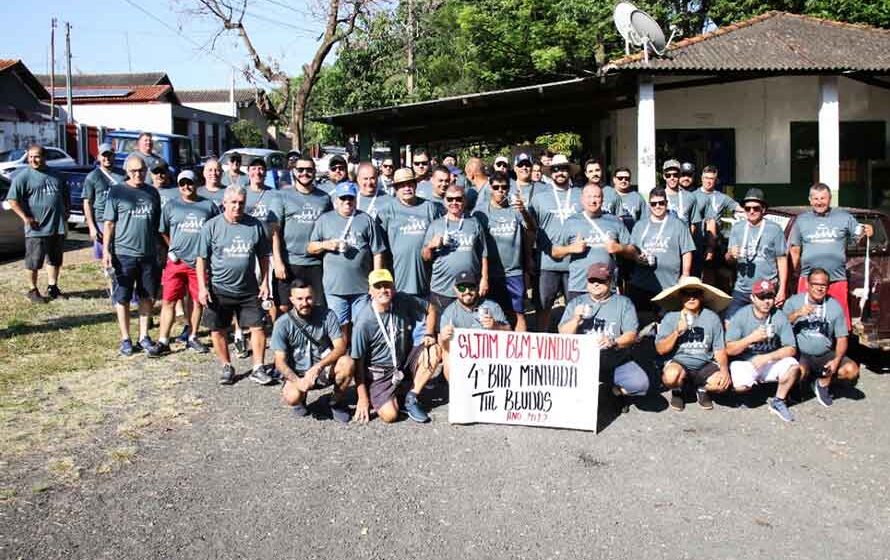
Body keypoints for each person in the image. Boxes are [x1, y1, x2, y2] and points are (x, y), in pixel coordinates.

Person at [196, 184, 274, 386]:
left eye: (241, 203)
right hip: (219, 288)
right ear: (224, 203)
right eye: (233, 203)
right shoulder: (211, 226)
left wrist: (265, 282)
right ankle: (226, 366)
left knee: (258, 327)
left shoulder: (255, 225)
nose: (237, 207)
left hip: (248, 288)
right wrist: (202, 287)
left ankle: (258, 367)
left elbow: (264, 256)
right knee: (218, 329)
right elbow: (201, 259)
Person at [350, 269, 441, 424]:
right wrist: (362, 398)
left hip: (402, 361)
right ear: (370, 291)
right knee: (390, 416)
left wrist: (429, 333)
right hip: (379, 372)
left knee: (433, 350)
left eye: (387, 285)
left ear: (394, 287)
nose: (383, 290)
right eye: (378, 286)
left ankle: (411, 396)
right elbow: (357, 362)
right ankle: (389, 394)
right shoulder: (364, 322)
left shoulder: (402, 300)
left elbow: (431, 308)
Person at [558, 262, 649, 411]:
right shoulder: (576, 303)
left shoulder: (624, 303)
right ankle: (579, 396)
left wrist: (613, 341)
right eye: (592, 280)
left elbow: (631, 335)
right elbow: (563, 335)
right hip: (581, 363)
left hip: (614, 360)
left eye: (601, 281)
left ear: (610, 281)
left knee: (640, 384)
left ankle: (615, 391)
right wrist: (575, 319)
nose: (596, 284)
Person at [148, 170, 219, 356]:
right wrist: (172, 247)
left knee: (197, 301)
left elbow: (216, 230)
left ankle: (193, 336)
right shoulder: (171, 206)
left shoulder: (208, 206)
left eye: (190, 183)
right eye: (182, 184)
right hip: (176, 261)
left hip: (199, 262)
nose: (186, 187)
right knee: (169, 300)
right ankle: (163, 340)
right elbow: (162, 230)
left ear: (197, 183)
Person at [788, 182, 873, 328]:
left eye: (823, 198)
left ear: (830, 199)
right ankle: (807, 348)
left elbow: (861, 241)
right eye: (816, 199)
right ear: (810, 200)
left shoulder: (844, 217)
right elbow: (795, 251)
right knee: (804, 319)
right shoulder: (801, 220)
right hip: (808, 280)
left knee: (839, 321)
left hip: (836, 279)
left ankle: (838, 350)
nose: (819, 202)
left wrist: (867, 233)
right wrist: (790, 278)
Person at [102, 154, 162, 356]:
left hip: (148, 254)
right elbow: (109, 223)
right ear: (127, 171)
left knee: (147, 296)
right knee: (123, 297)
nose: (138, 174)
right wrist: (106, 250)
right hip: (124, 253)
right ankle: (126, 338)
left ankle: (144, 336)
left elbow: (156, 225)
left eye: (141, 171)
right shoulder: (117, 191)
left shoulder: (152, 192)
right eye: (134, 171)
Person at [307, 182, 386, 336]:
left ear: (356, 199)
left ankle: (359, 358)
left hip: (362, 287)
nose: (347, 202)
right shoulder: (325, 219)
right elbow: (310, 247)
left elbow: (378, 252)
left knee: (362, 325)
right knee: (339, 326)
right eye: (343, 198)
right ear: (336, 200)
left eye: (350, 198)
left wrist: (375, 282)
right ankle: (342, 357)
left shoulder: (366, 219)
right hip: (335, 287)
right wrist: (326, 244)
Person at [272, 279, 352, 422]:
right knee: (291, 397)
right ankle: (300, 399)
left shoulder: (328, 315)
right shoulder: (282, 324)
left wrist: (318, 367)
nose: (305, 303)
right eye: (300, 299)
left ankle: (335, 402)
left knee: (348, 363)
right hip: (298, 372)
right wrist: (298, 381)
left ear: (314, 297)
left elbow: (340, 346)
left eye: (308, 298)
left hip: (323, 367)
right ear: (292, 300)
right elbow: (279, 361)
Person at [725, 278, 801, 422]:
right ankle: (749, 392)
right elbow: (729, 349)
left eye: (770, 296)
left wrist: (767, 357)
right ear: (752, 298)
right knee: (741, 386)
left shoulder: (779, 316)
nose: (767, 301)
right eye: (761, 297)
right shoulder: (741, 315)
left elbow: (791, 348)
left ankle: (779, 400)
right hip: (747, 360)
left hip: (769, 361)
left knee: (793, 367)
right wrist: (751, 338)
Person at [783, 268, 860, 407]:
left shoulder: (834, 306)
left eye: (823, 285)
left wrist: (836, 361)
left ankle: (821, 383)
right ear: (808, 284)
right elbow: (779, 327)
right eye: (815, 284)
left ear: (828, 287)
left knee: (851, 370)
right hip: (801, 353)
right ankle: (798, 384)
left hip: (824, 352)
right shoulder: (793, 302)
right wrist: (797, 314)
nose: (819, 288)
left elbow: (842, 338)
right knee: (797, 371)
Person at [653, 277, 732, 411]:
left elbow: (719, 349)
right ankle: (678, 389)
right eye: (686, 294)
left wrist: (725, 371)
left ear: (701, 296)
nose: (691, 298)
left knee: (721, 384)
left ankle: (701, 388)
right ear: (680, 296)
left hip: (705, 363)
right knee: (670, 377)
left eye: (695, 294)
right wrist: (677, 332)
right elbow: (660, 350)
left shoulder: (712, 317)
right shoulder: (671, 317)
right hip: (679, 362)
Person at [5, 144, 70, 303]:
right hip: (37, 228)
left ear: (44, 157)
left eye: (37, 156)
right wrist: (26, 218)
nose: (33, 160)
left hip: (56, 226)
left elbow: (65, 196)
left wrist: (66, 211)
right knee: (33, 261)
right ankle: (32, 290)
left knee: (55, 259)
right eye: (31, 156)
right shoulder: (23, 176)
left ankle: (53, 287)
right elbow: (12, 200)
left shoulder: (57, 175)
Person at [472, 171, 534, 331]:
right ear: (490, 188)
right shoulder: (480, 212)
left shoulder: (516, 208)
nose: (500, 190)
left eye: (504, 187)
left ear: (508, 189)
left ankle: (521, 350)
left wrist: (524, 211)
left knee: (518, 313)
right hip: (490, 273)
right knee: (489, 314)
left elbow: (532, 229)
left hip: (513, 272)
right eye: (496, 187)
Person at [528, 154, 582, 331]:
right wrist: (529, 257)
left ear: (570, 172)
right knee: (543, 307)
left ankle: (572, 348)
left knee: (575, 310)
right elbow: (530, 230)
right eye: (556, 169)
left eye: (564, 168)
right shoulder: (539, 198)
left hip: (575, 264)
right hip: (546, 264)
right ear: (550, 172)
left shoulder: (580, 195)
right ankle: (542, 345)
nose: (560, 172)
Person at [552, 183, 632, 302]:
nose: (593, 201)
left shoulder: (614, 221)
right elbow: (555, 252)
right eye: (589, 197)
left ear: (602, 199)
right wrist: (571, 249)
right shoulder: (571, 222)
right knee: (578, 319)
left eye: (597, 197)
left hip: (607, 285)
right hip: (580, 286)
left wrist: (619, 248)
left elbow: (633, 250)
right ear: (582, 199)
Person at [274, 156, 332, 315]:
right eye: (300, 170)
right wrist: (278, 262)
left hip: (316, 262)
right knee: (284, 307)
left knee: (316, 307)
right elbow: (275, 232)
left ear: (315, 172)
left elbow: (330, 227)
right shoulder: (283, 196)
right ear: (293, 171)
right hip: (289, 261)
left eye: (309, 170)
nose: (304, 173)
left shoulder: (324, 198)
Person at [627, 187, 694, 321]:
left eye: (661, 203)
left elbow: (687, 250)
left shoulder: (678, 225)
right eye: (654, 203)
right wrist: (636, 257)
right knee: (641, 321)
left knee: (666, 322)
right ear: (649, 205)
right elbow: (632, 248)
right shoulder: (640, 225)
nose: (658, 206)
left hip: (668, 285)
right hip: (642, 282)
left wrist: (685, 274)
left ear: (666, 203)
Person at [377, 168, 444, 299]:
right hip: (398, 277)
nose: (406, 188)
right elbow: (380, 248)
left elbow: (440, 235)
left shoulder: (429, 207)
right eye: (402, 185)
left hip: (425, 277)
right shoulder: (386, 211)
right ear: (396, 188)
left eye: (410, 184)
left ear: (415, 185)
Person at [422, 184, 489, 311]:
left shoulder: (474, 223)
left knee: (467, 326)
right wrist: (430, 246)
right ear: (444, 201)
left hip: (469, 289)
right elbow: (425, 257)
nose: (454, 202)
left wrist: (484, 279)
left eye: (458, 199)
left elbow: (484, 254)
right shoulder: (436, 225)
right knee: (441, 328)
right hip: (442, 288)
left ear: (464, 200)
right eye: (450, 199)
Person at [724, 188, 787, 319]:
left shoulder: (774, 229)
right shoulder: (738, 228)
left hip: (767, 289)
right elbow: (728, 260)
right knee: (729, 322)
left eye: (756, 208)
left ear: (763, 209)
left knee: (768, 326)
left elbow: (782, 260)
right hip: (742, 289)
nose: (751, 211)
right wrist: (730, 254)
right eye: (747, 208)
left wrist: (782, 289)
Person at [438, 270, 510, 380]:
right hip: (463, 357)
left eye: (471, 287)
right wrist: (443, 338)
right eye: (462, 288)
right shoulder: (449, 312)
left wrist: (496, 326)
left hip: (489, 355)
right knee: (447, 356)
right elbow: (445, 346)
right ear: (455, 289)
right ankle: (457, 392)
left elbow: (509, 332)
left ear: (477, 288)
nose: (467, 291)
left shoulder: (492, 306)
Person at [696, 165, 741, 283]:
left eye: (711, 178)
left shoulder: (722, 197)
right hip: (698, 240)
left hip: (716, 242)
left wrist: (752, 212)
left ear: (716, 180)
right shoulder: (693, 196)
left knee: (714, 275)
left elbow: (738, 208)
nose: (708, 181)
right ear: (701, 178)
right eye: (706, 178)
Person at [82, 143, 124, 267]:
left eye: (110, 155)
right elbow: (87, 202)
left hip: (120, 219)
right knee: (106, 256)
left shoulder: (123, 175)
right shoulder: (93, 177)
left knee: (121, 254)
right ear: (98, 157)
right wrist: (91, 227)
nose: (107, 158)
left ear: (114, 156)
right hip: (101, 221)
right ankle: (111, 285)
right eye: (103, 155)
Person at [605, 167, 646, 232]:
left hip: (630, 236)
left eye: (627, 178)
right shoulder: (606, 194)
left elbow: (644, 221)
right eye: (620, 178)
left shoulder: (638, 198)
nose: (623, 181)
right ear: (614, 179)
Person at [662, 159, 696, 226]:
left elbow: (693, 225)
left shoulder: (690, 197)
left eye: (675, 175)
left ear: (680, 175)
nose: (672, 178)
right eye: (668, 175)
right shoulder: (657, 197)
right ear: (664, 176)